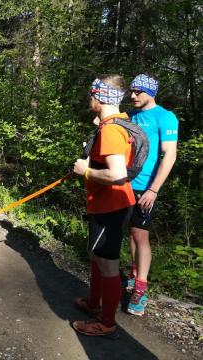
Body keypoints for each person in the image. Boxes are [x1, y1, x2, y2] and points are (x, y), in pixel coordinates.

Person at [72, 75, 136, 337]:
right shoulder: (118, 123)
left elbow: (117, 174)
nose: (89, 99)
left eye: (92, 95)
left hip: (111, 205)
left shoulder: (111, 130)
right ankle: (93, 302)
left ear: (100, 97)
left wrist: (85, 172)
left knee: (108, 264)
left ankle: (106, 322)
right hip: (109, 204)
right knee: (97, 256)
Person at [125, 74, 178, 316]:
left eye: (138, 92)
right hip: (124, 183)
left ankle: (141, 289)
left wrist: (154, 189)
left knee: (141, 236)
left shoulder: (165, 117)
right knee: (131, 232)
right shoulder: (131, 115)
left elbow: (170, 155)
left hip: (146, 187)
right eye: (131, 91)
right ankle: (133, 272)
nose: (132, 95)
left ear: (151, 92)